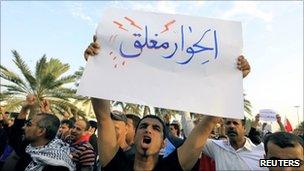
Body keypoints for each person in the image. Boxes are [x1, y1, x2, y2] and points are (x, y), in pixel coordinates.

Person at [84, 35, 251, 170]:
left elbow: (209, 122)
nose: (148, 130)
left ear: (164, 143)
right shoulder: (116, 164)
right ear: (134, 138)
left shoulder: (172, 167)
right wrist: (96, 65)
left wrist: (233, 78)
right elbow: (103, 116)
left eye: (156, 128)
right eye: (143, 126)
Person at [5, 94, 75, 171]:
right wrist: (24, 109)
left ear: (41, 131)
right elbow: (14, 136)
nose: (24, 127)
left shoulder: (58, 165)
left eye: (29, 124)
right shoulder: (29, 147)